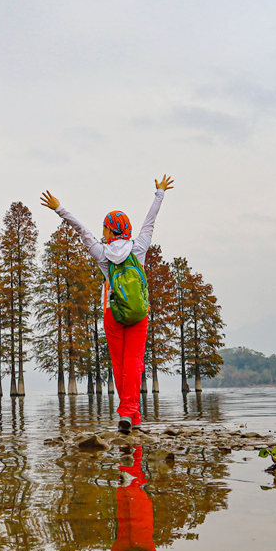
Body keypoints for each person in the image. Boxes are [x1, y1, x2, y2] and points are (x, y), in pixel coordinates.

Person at [40, 175, 173, 434]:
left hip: (113, 312)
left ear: (111, 230)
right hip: (138, 312)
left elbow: (81, 230)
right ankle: (130, 414)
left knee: (119, 364)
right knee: (135, 363)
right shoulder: (139, 248)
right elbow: (150, 221)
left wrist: (59, 209)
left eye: (105, 228)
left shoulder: (103, 254)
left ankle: (128, 414)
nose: (102, 232)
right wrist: (160, 193)